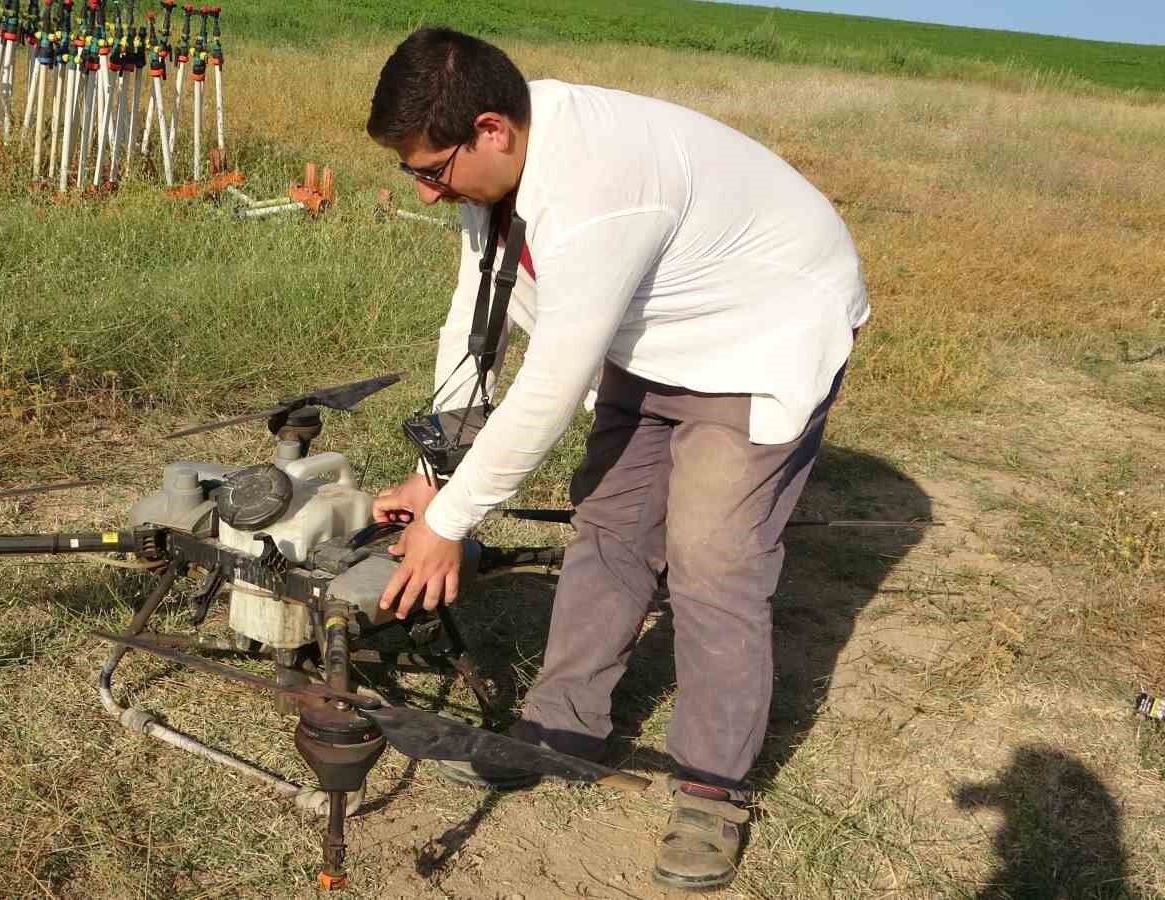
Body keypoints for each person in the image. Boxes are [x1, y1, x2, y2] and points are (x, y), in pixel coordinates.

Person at [366, 28, 868, 892]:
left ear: (492, 129)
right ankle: (559, 728)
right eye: (413, 172)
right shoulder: (502, 169)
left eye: (432, 170)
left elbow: (550, 384)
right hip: (652, 335)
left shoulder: (601, 191)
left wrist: (452, 523)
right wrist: (441, 470)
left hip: (757, 336)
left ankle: (713, 788)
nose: (423, 191)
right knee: (610, 525)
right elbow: (476, 318)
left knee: (712, 559)